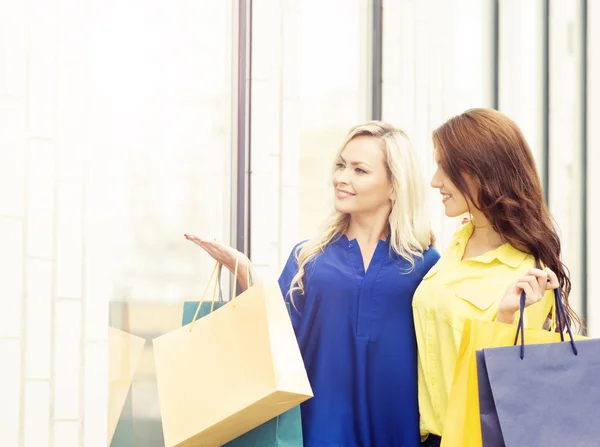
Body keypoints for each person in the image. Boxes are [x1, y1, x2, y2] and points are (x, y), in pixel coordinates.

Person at [185, 121, 440, 446]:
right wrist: (243, 269)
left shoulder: (425, 264)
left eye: (359, 170)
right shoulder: (308, 259)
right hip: (318, 431)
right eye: (340, 165)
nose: (341, 178)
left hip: (397, 432)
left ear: (394, 186)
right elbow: (276, 338)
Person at [413, 108, 581, 447]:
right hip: (430, 437)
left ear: (482, 172)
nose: (435, 181)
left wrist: (505, 318)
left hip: (474, 439)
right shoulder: (455, 245)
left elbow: (512, 388)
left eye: (445, 167)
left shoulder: (528, 276)